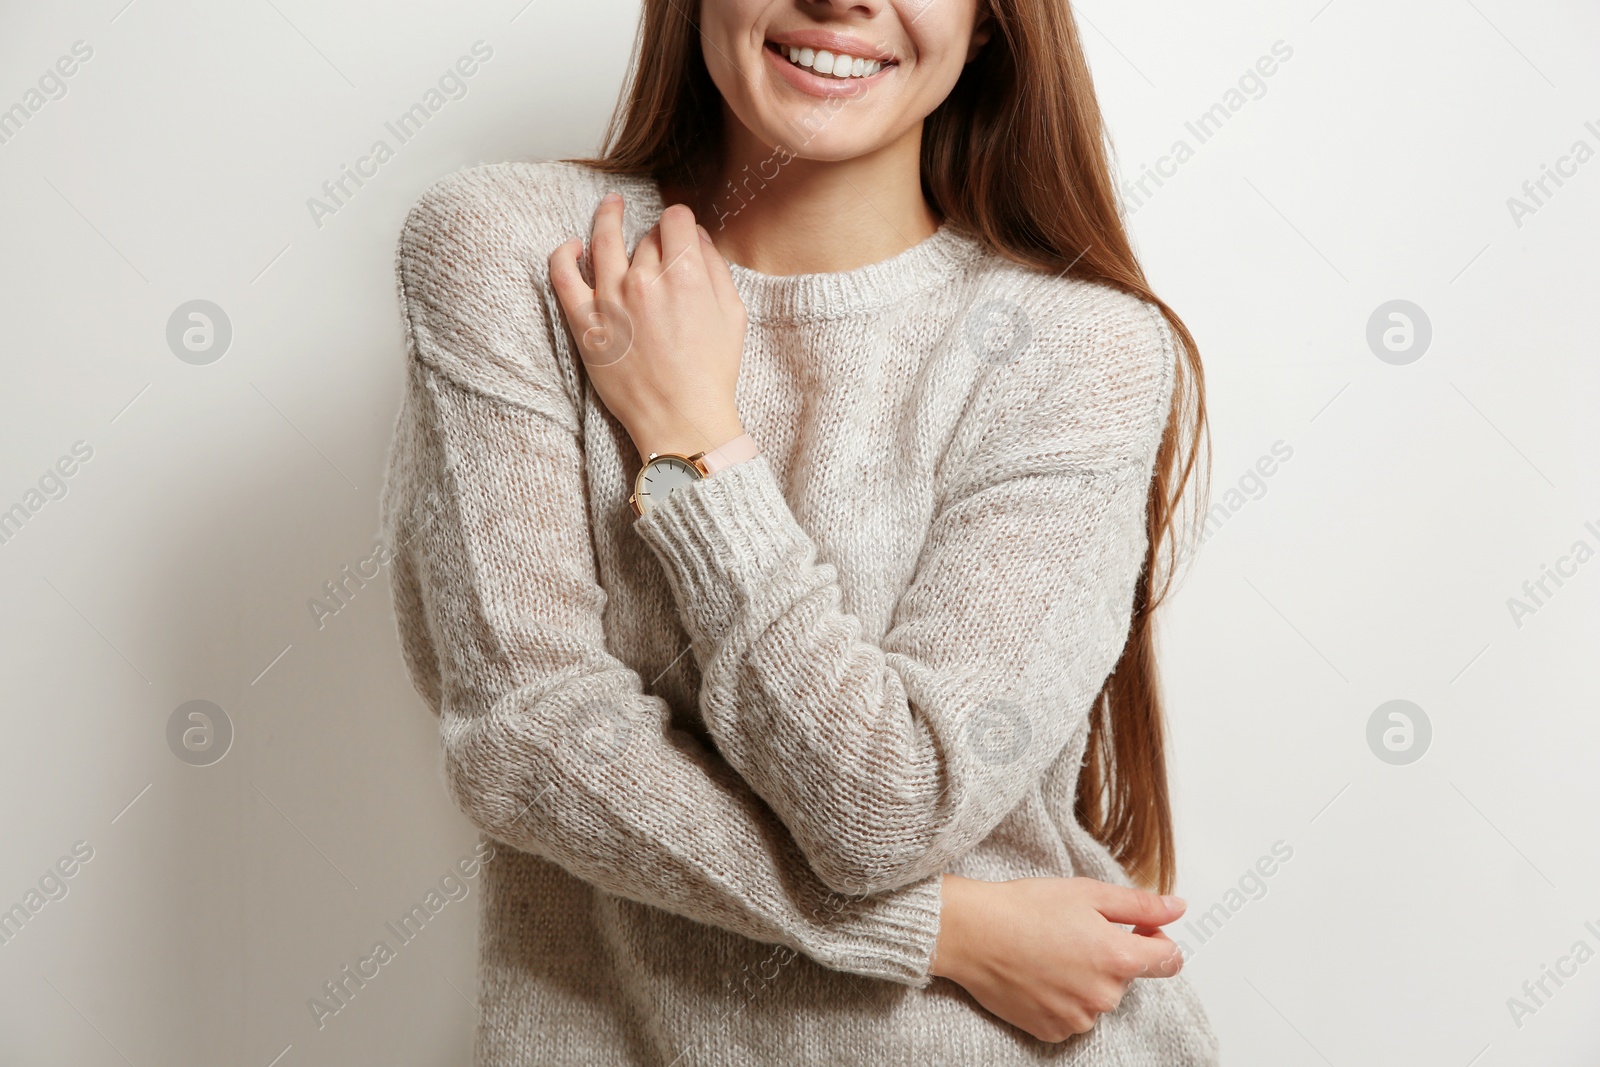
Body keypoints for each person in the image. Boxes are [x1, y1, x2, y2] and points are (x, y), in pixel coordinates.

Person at [379, 0, 1218, 1062]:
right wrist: (937, 928)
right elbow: (523, 738)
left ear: (992, 20)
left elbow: (886, 805)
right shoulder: (513, 252)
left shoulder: (1075, 348)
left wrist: (692, 439)